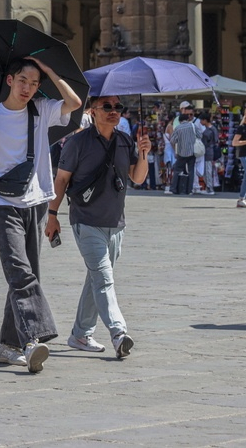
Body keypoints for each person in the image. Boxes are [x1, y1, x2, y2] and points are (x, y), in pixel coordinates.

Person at [0, 56, 83, 373]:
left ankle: (7, 346)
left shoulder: (41, 110)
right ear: (9, 80)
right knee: (19, 272)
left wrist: (49, 71)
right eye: (23, 81)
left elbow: (73, 102)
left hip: (37, 201)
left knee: (26, 273)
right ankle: (33, 338)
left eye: (34, 83)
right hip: (3, 203)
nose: (28, 88)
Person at [46, 93, 150, 360]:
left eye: (118, 107)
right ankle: (119, 333)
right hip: (86, 221)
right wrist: (52, 215)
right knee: (103, 279)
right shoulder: (77, 143)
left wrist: (145, 155)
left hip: (116, 224)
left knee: (96, 278)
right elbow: (61, 181)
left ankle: (80, 334)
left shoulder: (125, 142)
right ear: (92, 111)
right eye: (107, 107)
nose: (114, 111)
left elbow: (137, 178)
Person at [169, 113, 198, 195]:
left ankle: (173, 188)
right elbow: (200, 135)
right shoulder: (193, 126)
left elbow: (172, 140)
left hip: (181, 152)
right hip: (192, 152)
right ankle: (189, 190)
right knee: (191, 171)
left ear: (179, 120)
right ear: (188, 119)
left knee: (177, 170)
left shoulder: (178, 128)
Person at [199, 113, 219, 195]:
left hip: (208, 152)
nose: (200, 121)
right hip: (212, 151)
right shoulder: (214, 129)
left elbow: (205, 143)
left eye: (201, 120)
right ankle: (209, 187)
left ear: (204, 120)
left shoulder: (207, 132)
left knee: (207, 170)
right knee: (209, 170)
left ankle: (209, 188)